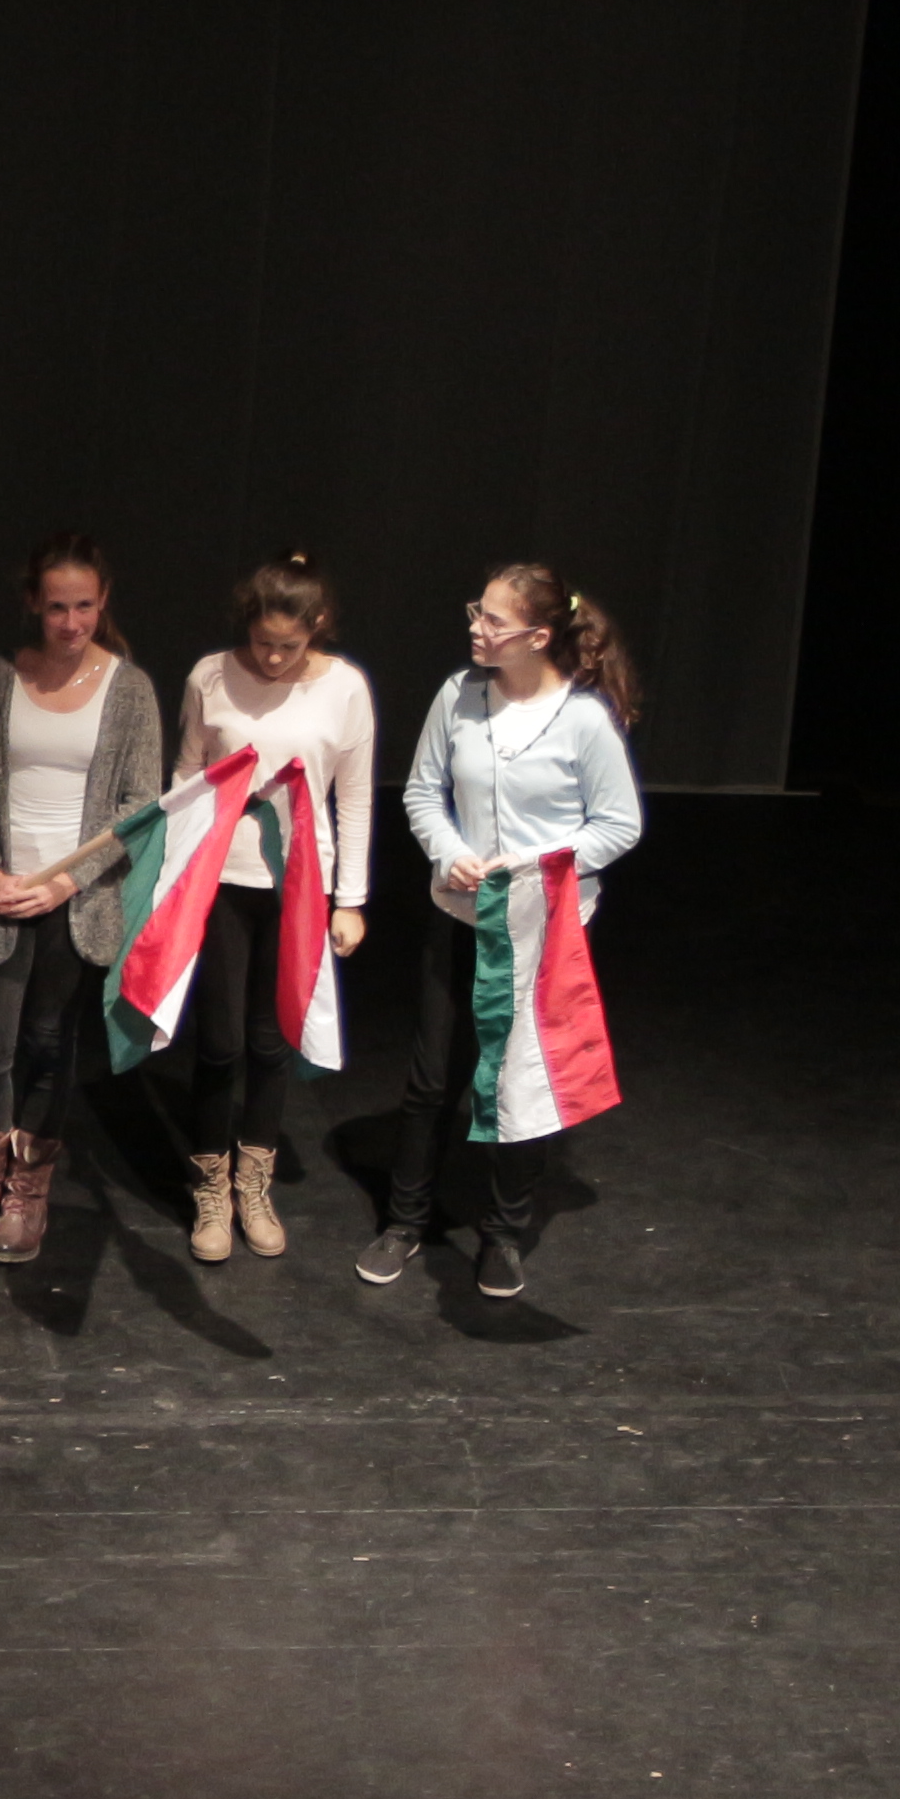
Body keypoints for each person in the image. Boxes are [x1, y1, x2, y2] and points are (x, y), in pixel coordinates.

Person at [361, 561, 645, 1295]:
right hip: (461, 915)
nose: (476, 628)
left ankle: (502, 1234)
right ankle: (405, 1222)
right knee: (433, 1078)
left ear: (538, 637)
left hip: (543, 931)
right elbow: (423, 793)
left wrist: (537, 865)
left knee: (523, 1081)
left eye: (493, 619)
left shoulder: (582, 718)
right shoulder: (459, 694)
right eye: (476, 611)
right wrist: (450, 853)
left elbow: (618, 825)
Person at [0, 532, 168, 1264]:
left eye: (85, 607)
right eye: (58, 607)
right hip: (0, 896)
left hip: (75, 900)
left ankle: (27, 1188)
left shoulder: (128, 689)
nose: (72, 623)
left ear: (104, 602)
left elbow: (139, 804)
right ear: (33, 603)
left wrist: (68, 881)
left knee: (47, 1042)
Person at [162, 552, 377, 1262]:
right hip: (222, 878)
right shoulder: (211, 675)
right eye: (262, 643)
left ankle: (254, 1184)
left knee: (271, 1037)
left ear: (318, 626)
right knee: (220, 1040)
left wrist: (351, 900)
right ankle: (211, 1187)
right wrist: (171, 873)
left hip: (299, 885)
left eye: (289, 645)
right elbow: (188, 773)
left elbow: (354, 798)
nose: (274, 657)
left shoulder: (345, 688)